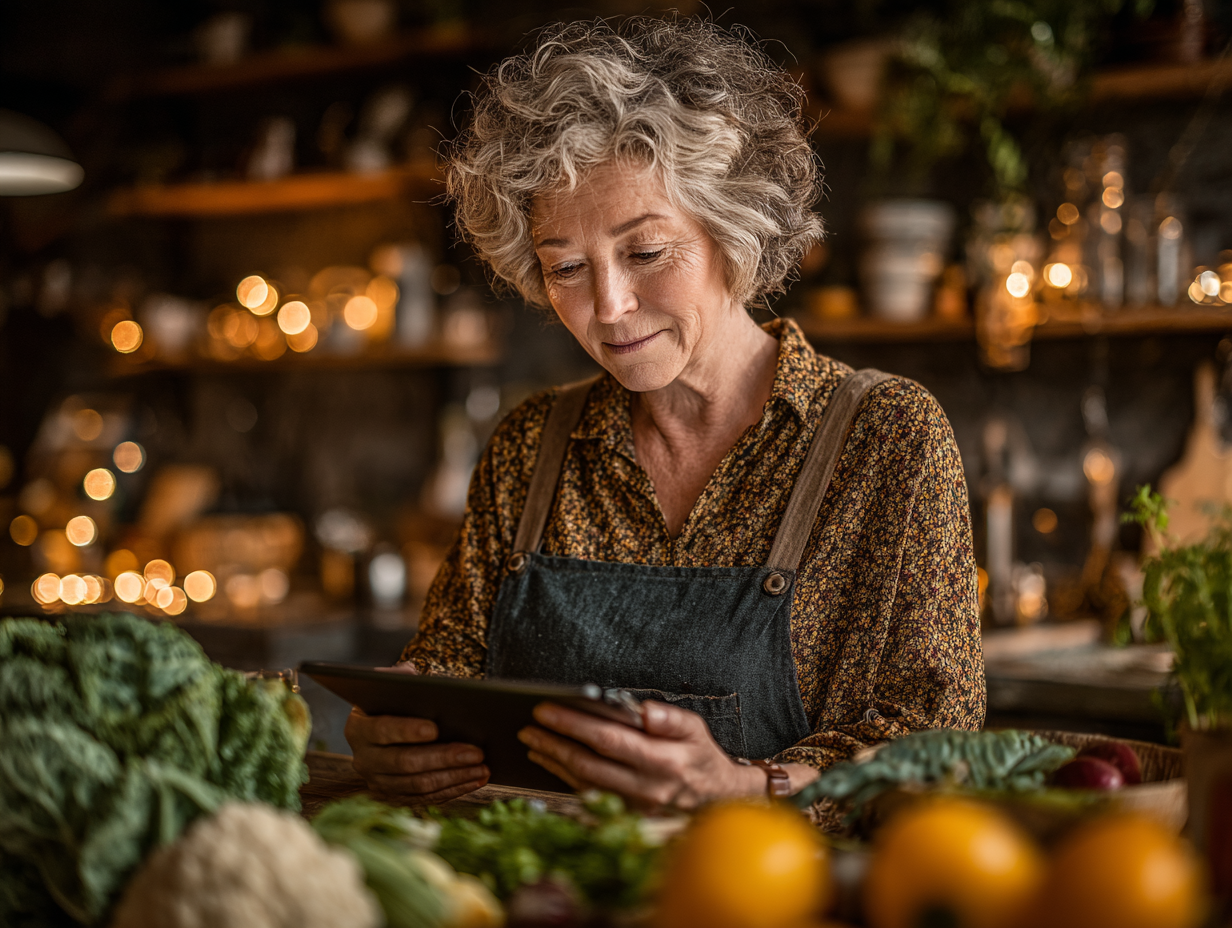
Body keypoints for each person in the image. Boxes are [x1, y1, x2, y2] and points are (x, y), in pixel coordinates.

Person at [346, 16, 984, 812]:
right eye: (567, 268)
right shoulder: (530, 445)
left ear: (733, 231)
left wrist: (748, 789)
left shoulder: (885, 439)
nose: (610, 307)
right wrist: (402, 724)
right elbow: (451, 659)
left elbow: (937, 747)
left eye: (645, 252)